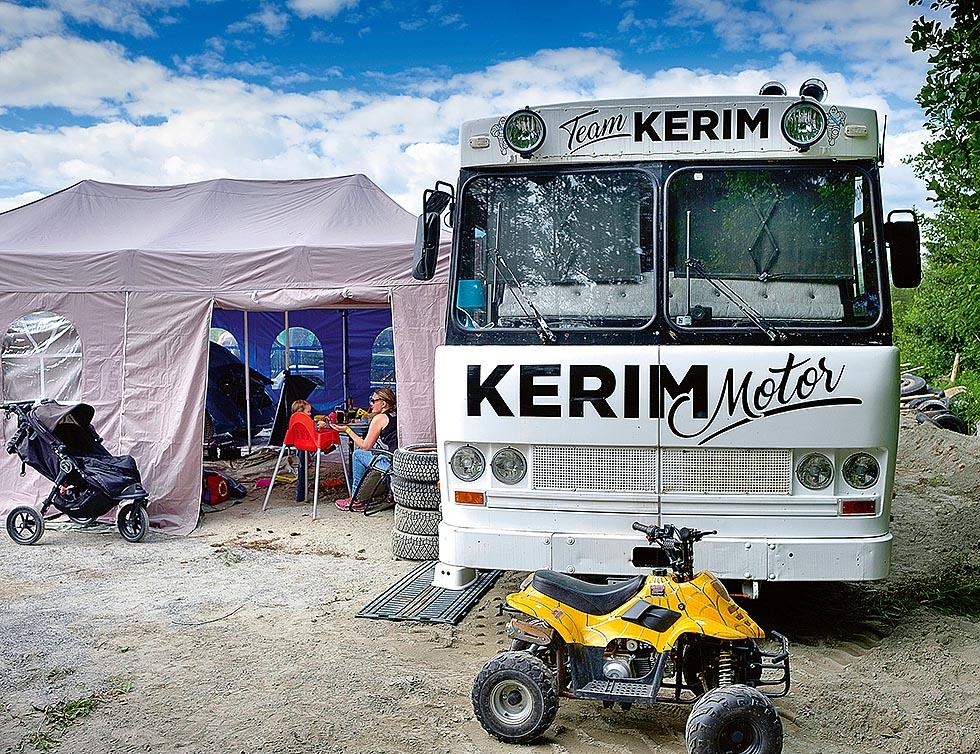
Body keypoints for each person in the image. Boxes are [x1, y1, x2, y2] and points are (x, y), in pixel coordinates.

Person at [332, 387, 397, 511]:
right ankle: (375, 494)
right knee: (376, 454)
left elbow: (365, 445)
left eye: (374, 401)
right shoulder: (397, 414)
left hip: (392, 464)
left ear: (383, 403)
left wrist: (347, 430)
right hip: (401, 459)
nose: (371, 404)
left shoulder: (380, 418)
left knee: (358, 454)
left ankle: (356, 500)